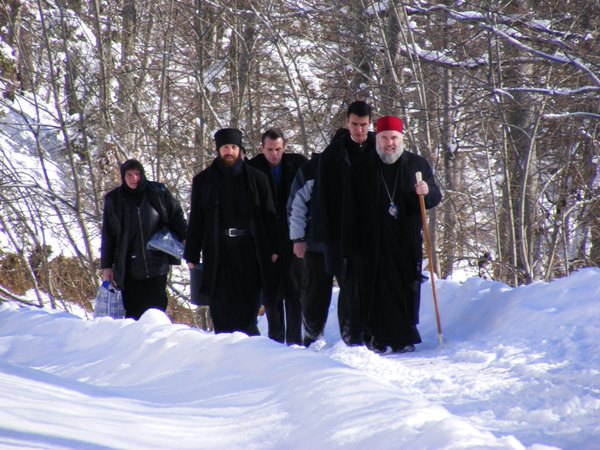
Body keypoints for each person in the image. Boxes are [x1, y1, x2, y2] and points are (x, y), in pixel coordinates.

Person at [342, 115, 442, 353]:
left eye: (394, 138)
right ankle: (376, 335)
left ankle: (404, 337)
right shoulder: (361, 167)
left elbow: (435, 197)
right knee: (373, 288)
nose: (390, 143)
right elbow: (349, 208)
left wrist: (427, 191)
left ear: (402, 138)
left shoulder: (417, 165)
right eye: (385, 138)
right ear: (377, 139)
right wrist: (348, 246)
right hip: (371, 241)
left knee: (405, 287)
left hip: (405, 240)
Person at [184, 128, 280, 336]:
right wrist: (191, 253)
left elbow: (270, 216)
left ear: (240, 149)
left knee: (248, 310)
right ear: (219, 150)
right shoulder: (203, 180)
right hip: (218, 251)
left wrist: (275, 247)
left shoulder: (257, 178)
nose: (230, 151)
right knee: (221, 308)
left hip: (249, 251)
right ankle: (224, 357)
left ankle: (249, 356)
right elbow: (197, 219)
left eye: (234, 147)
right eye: (225, 147)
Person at [311, 100, 376, 346]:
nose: (359, 130)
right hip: (340, 232)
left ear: (370, 124)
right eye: (354, 124)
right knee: (348, 286)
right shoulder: (332, 155)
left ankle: (371, 332)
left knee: (369, 284)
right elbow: (321, 198)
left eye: (364, 125)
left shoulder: (378, 149)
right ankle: (350, 335)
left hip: (371, 231)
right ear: (347, 123)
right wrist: (325, 238)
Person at [100, 159, 187, 320]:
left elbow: (176, 217)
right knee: (133, 313)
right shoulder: (114, 200)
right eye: (129, 174)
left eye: (138, 174)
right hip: (129, 266)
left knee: (157, 312)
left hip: (156, 263)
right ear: (123, 176)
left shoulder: (158, 192)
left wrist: (186, 238)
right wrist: (107, 266)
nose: (134, 178)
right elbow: (108, 234)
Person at [247, 128, 308, 345]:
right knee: (271, 293)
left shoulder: (297, 164)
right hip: (265, 237)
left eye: (279, 149)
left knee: (295, 290)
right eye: (270, 149)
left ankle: (294, 341)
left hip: (294, 235)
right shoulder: (252, 169)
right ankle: (275, 341)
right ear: (261, 149)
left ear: (285, 148)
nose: (275, 154)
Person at [288, 152, 334, 347]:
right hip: (316, 243)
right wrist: (298, 238)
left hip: (347, 243)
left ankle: (355, 335)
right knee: (315, 292)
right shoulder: (313, 169)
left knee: (352, 293)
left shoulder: (362, 164)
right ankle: (312, 336)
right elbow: (296, 206)